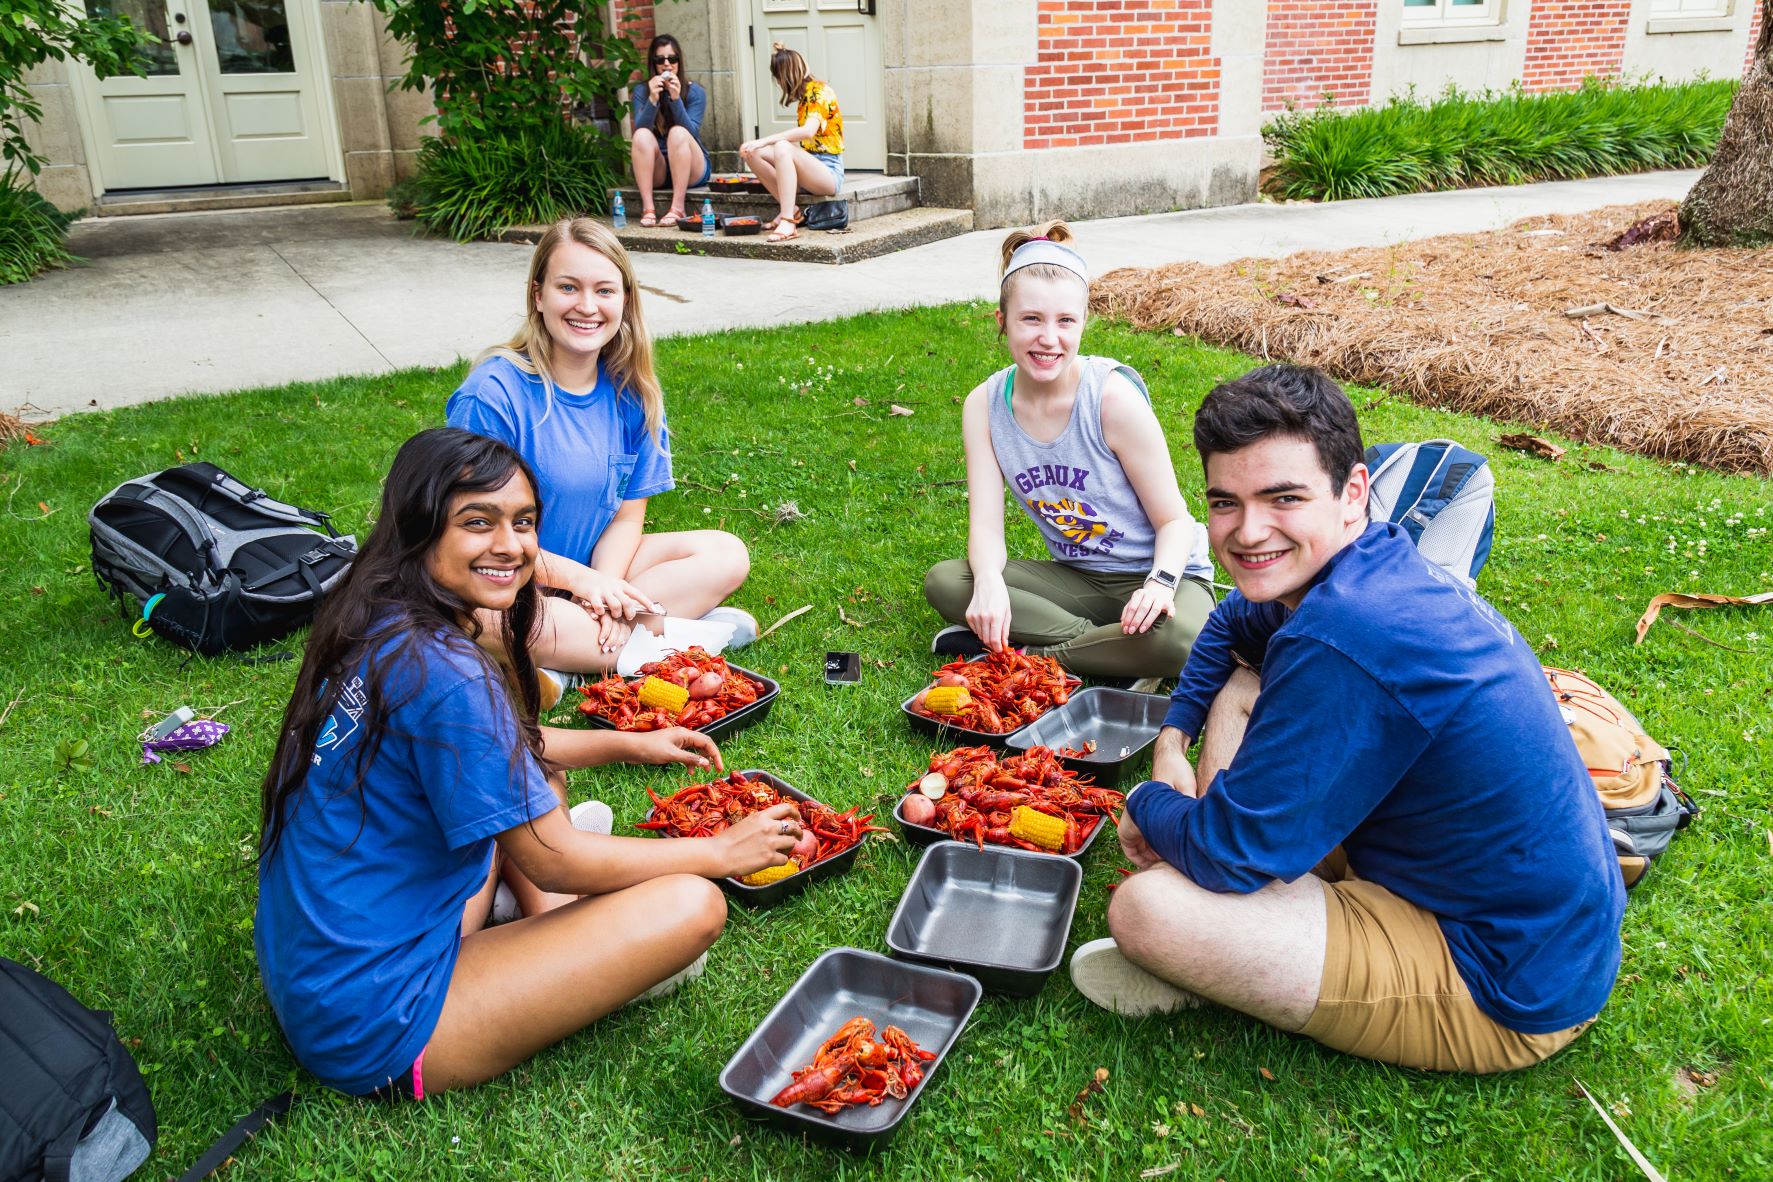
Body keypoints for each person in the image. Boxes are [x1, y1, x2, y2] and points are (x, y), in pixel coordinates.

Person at [1067, 365, 1626, 1073]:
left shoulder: (1342, 633)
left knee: (1148, 911)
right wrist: (1171, 743)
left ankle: (1229, 960)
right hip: (1487, 896)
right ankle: (1254, 934)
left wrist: (1147, 805)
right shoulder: (1363, 563)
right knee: (1244, 680)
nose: (1246, 531)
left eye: (1282, 498)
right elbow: (1225, 629)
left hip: (1501, 979)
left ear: (1352, 492)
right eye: (1224, 502)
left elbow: (1222, 854)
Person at [254, 428, 803, 1098]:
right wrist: (718, 851)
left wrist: (625, 742)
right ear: (419, 528)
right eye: (476, 522)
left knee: (535, 778)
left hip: (319, 968)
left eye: (523, 522)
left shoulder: (374, 615)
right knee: (691, 904)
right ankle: (576, 948)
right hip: (379, 1025)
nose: (510, 545)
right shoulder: (449, 674)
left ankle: (553, 932)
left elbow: (501, 748)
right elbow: (555, 857)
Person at [446, 218, 753, 698]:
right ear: (537, 295)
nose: (587, 307)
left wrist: (603, 592)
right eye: (568, 287)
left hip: (590, 567)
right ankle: (679, 634)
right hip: (502, 580)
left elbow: (628, 519)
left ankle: (580, 653)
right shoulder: (493, 393)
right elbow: (476, 534)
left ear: (625, 300)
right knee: (483, 617)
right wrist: (583, 583)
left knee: (726, 555)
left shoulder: (633, 392)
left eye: (604, 290)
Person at [920, 221, 1215, 683]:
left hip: (1164, 574)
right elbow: (985, 528)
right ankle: (1112, 647)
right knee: (948, 581)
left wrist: (1160, 585)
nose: (1049, 338)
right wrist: (992, 583)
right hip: (1077, 578)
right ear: (1002, 321)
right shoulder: (984, 405)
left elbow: (1175, 522)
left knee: (1181, 641)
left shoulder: (1112, 399)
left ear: (1083, 323)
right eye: (1031, 319)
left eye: (1065, 321)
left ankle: (1031, 656)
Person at [739, 44, 843, 244]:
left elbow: (808, 131)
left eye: (778, 78)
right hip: (810, 169)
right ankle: (792, 211)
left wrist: (765, 139)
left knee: (782, 146)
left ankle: (788, 221)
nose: (778, 83)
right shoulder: (805, 98)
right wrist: (757, 145)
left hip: (828, 173)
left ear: (784, 76)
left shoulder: (820, 91)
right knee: (751, 152)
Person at [629, 34, 710, 228]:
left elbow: (692, 133)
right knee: (640, 135)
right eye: (660, 60)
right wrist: (652, 100)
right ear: (653, 64)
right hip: (658, 168)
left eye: (672, 59)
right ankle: (648, 208)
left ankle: (677, 207)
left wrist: (676, 100)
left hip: (691, 166)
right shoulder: (642, 91)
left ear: (679, 62)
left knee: (678, 132)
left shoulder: (695, 92)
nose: (667, 65)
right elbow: (641, 132)